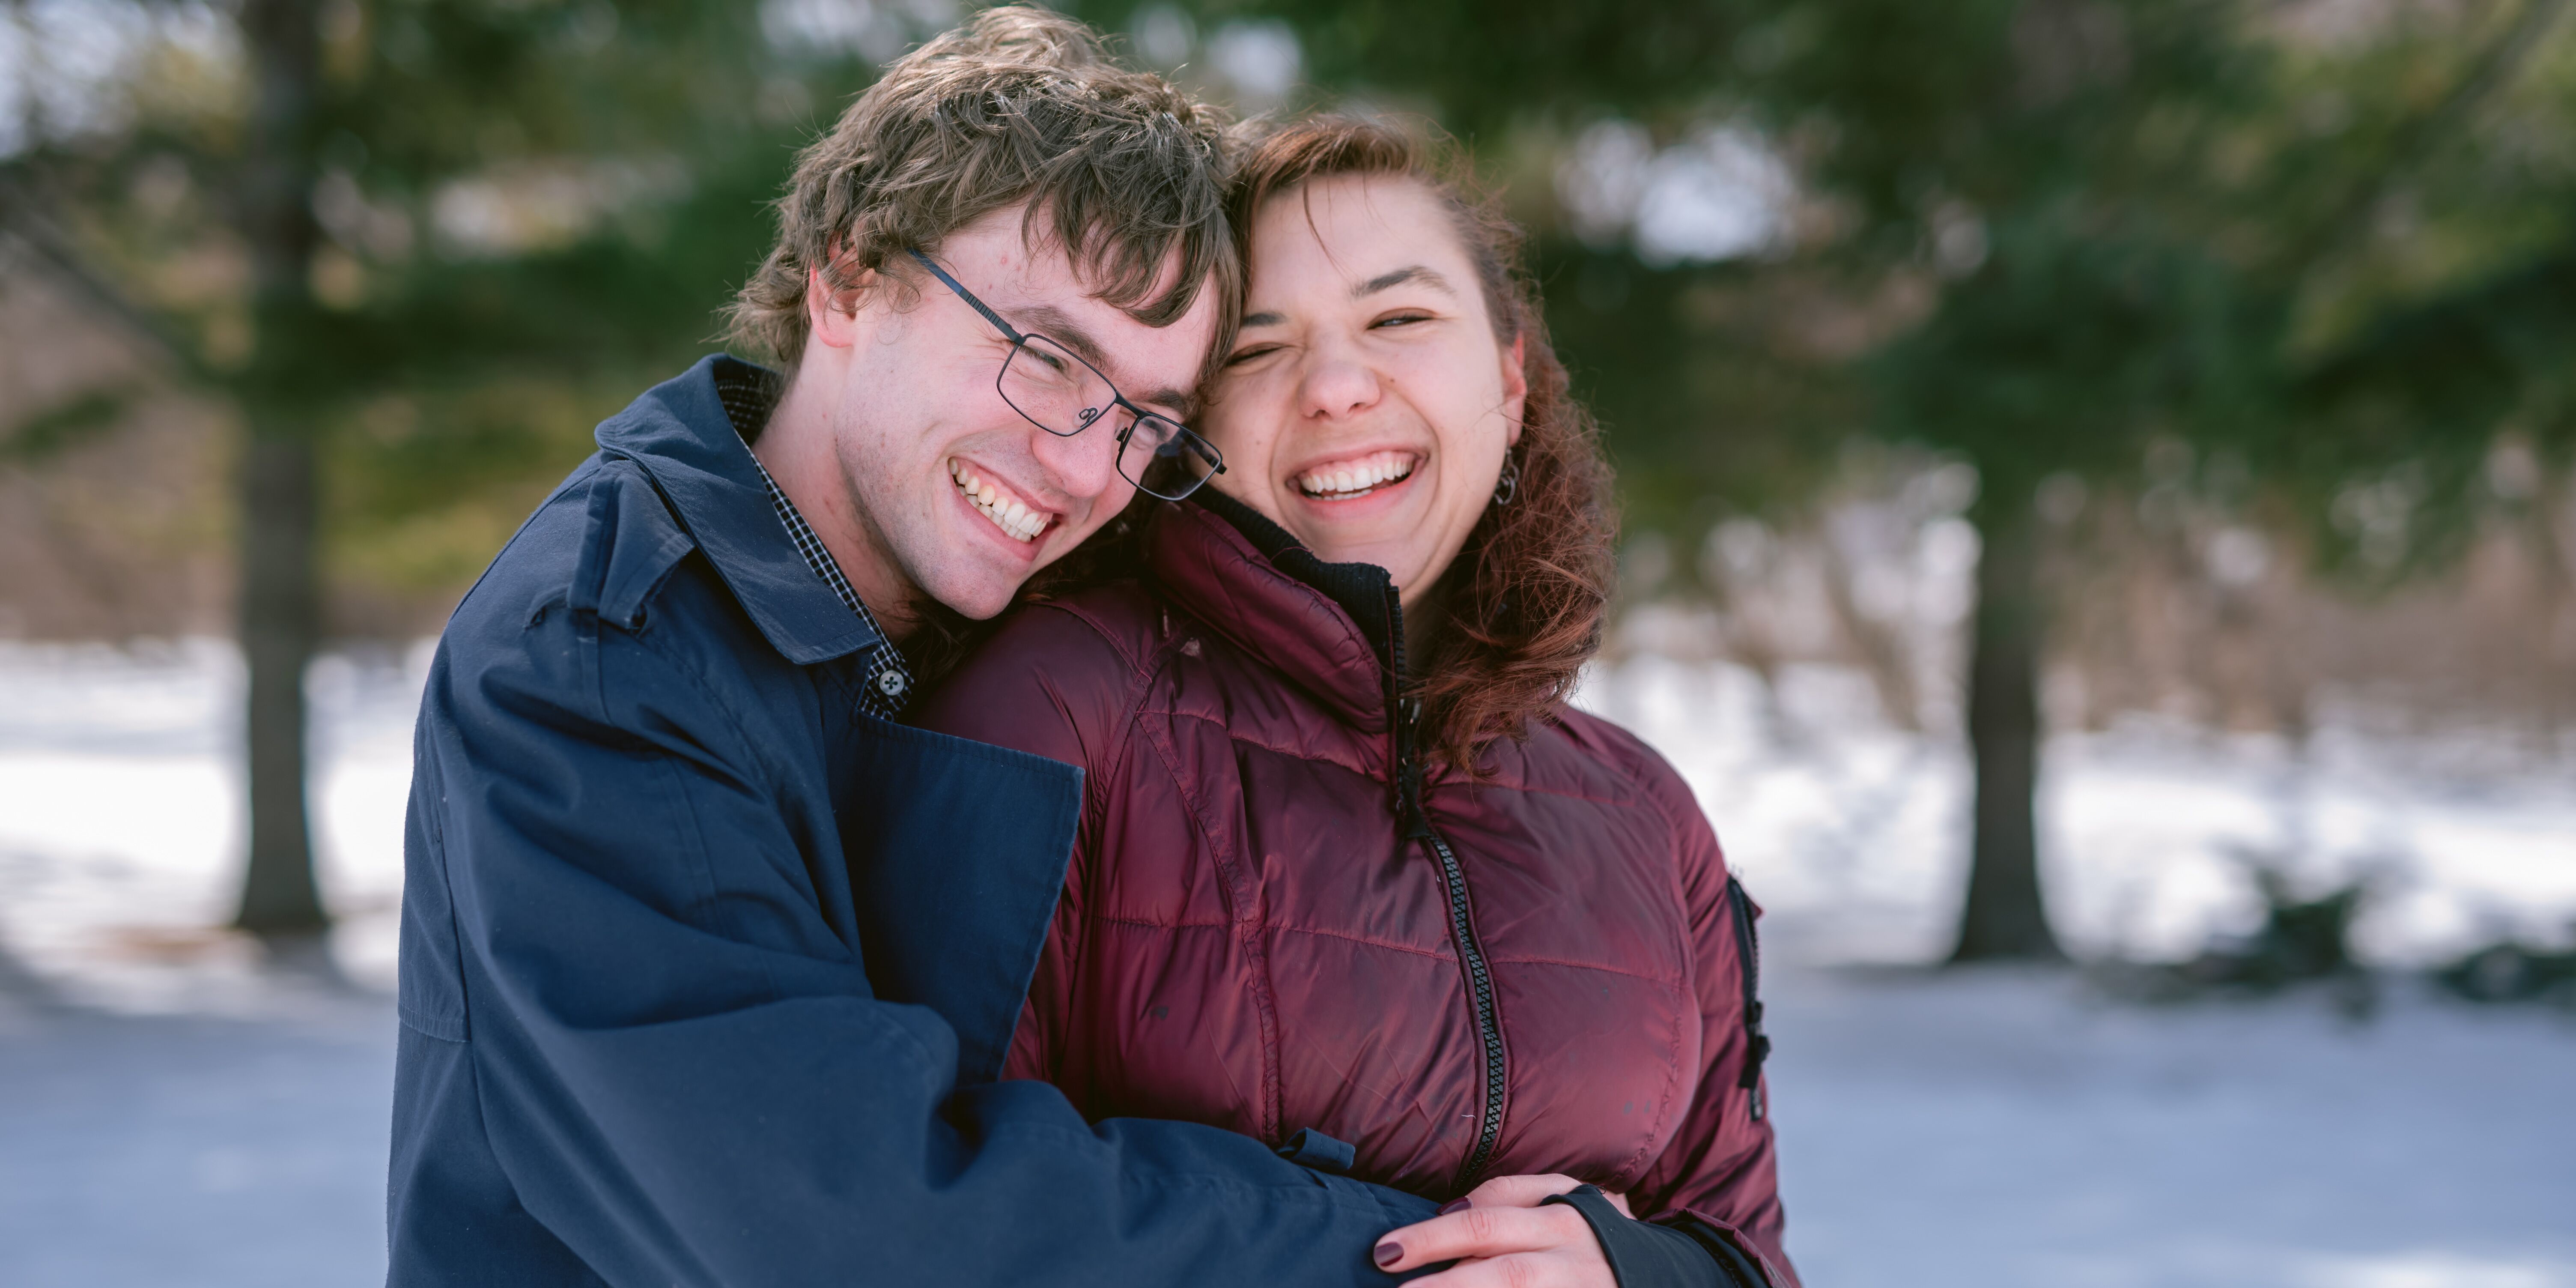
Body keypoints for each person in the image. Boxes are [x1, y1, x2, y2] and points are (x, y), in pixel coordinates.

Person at [385, 13, 1452, 1284]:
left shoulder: (999, 633)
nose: (1081, 466)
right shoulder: (601, 660)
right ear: (847, 278)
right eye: (1048, 357)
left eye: (1145, 422)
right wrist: (1405, 1251)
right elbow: (853, 1225)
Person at [915, 117, 1798, 1288]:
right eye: (1259, 347)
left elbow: (1746, 1255)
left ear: (1512, 377)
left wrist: (1630, 1274)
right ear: (1188, 424)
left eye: (1399, 319)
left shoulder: (1644, 811)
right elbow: (924, 1207)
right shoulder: (1056, 709)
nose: (1336, 386)